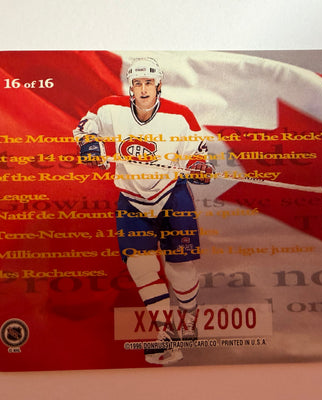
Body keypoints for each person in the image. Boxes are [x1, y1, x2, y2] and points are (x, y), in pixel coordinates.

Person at [73, 57, 214, 365]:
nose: (143, 89)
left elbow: (197, 154)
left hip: (171, 196)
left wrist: (198, 167)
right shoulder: (110, 107)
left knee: (181, 270)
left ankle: (189, 316)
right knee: (140, 266)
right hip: (131, 199)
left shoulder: (180, 115)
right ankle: (165, 330)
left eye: (149, 83)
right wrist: (90, 144)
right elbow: (85, 127)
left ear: (158, 85)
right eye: (137, 83)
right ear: (131, 87)